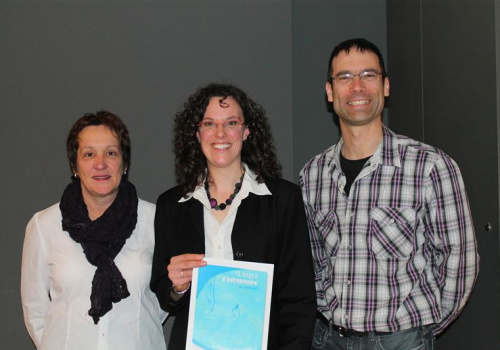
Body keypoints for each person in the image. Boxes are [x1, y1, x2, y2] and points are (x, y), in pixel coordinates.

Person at [299, 38, 479, 349]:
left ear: (385, 86)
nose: (357, 87)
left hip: (400, 341)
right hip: (326, 339)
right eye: (344, 77)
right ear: (330, 92)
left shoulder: (430, 167)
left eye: (368, 75)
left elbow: (460, 263)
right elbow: (313, 263)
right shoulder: (312, 174)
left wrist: (420, 332)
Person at [151, 83, 317, 349]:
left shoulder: (283, 200)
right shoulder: (172, 205)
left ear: (246, 130)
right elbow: (164, 295)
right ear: (197, 133)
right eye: (208, 123)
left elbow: (299, 299)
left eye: (231, 122)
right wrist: (176, 287)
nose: (220, 133)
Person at [21, 111, 167, 350]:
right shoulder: (43, 225)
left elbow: (161, 302)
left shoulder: (156, 221)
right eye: (89, 154)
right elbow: (35, 308)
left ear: (125, 162)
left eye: (111, 153)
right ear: (74, 165)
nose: (101, 164)